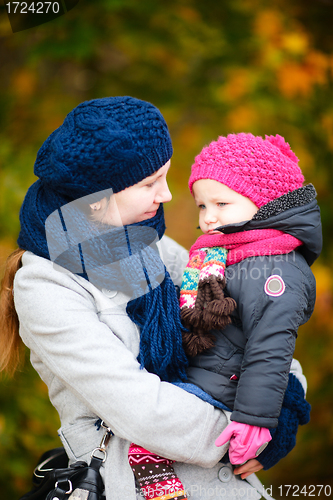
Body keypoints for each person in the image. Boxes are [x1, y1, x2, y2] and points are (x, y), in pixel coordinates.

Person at [0, 97, 310, 500]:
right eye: (149, 184)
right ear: (97, 197)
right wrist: (245, 432)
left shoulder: (153, 246)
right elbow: (139, 407)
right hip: (144, 484)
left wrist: (277, 413)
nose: (165, 195)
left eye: (165, 176)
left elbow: (261, 327)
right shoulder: (45, 286)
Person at [178, 132, 321, 466]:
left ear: (265, 203)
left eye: (221, 204)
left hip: (227, 398)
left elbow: (270, 345)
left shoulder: (274, 265)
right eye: (202, 205)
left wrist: (253, 420)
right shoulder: (225, 255)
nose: (208, 217)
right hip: (205, 382)